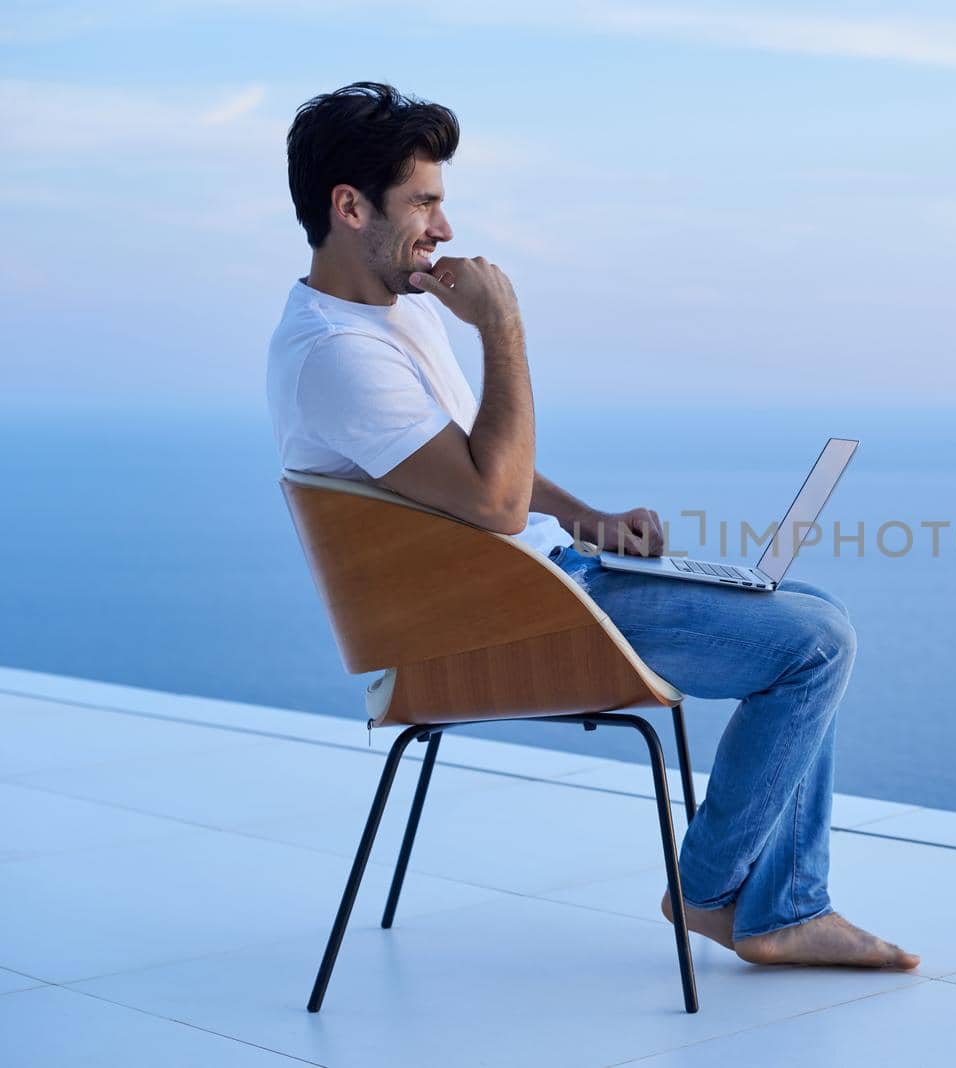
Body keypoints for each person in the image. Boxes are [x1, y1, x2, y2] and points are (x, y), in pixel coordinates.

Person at [266, 82, 918, 970]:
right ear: (349, 207)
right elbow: (493, 501)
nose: (445, 228)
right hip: (491, 626)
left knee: (805, 603)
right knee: (815, 643)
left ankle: (780, 905)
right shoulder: (336, 356)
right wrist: (504, 330)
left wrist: (588, 519)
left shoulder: (391, 316)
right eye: (424, 201)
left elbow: (467, 470)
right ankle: (728, 898)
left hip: (546, 578)